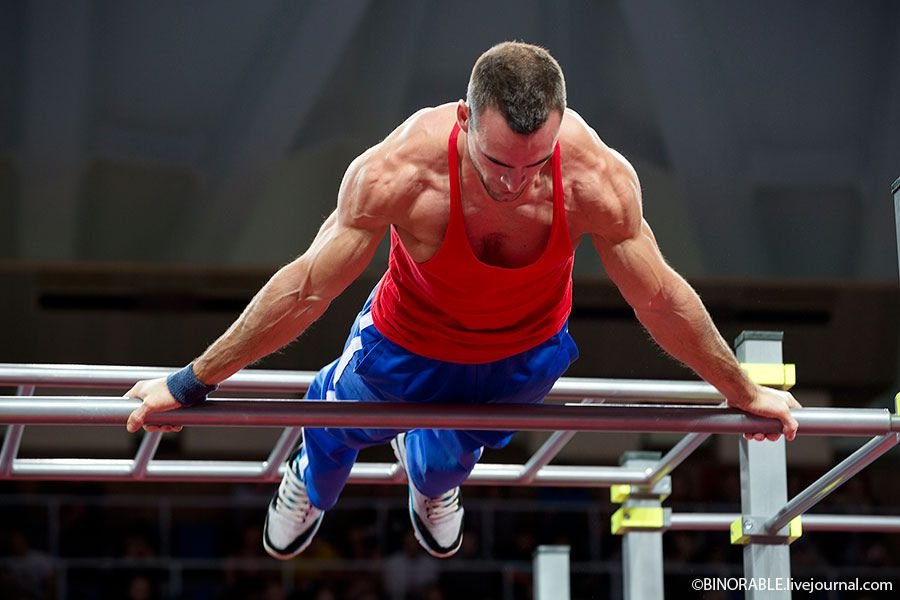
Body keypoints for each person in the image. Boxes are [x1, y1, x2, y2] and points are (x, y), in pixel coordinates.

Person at [125, 41, 801, 560]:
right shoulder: (400, 170)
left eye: (536, 164)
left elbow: (657, 296)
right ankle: (310, 476)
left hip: (520, 354)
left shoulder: (596, 176)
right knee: (336, 432)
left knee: (445, 460)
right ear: (465, 119)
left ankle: (432, 480)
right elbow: (307, 287)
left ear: (559, 129)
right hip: (406, 341)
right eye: (498, 163)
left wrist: (742, 391)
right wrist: (191, 382)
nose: (516, 184)